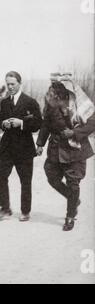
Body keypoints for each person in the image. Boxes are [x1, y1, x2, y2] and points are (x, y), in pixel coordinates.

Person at [36, 72, 95, 231]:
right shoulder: (51, 107)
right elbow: (46, 125)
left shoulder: (79, 105)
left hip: (75, 150)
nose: (49, 97)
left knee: (73, 183)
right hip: (56, 149)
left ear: (61, 96)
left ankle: (70, 215)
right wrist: (40, 143)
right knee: (51, 176)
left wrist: (74, 133)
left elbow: (92, 123)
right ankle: (73, 199)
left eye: (52, 94)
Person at [0, 71, 42, 221]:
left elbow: (38, 124)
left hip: (24, 148)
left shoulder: (30, 102)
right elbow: (0, 122)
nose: (9, 87)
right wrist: (4, 123)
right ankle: (5, 208)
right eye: (7, 84)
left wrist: (21, 123)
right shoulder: (4, 102)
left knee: (25, 180)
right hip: (7, 146)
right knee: (0, 175)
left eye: (12, 84)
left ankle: (25, 211)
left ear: (19, 84)